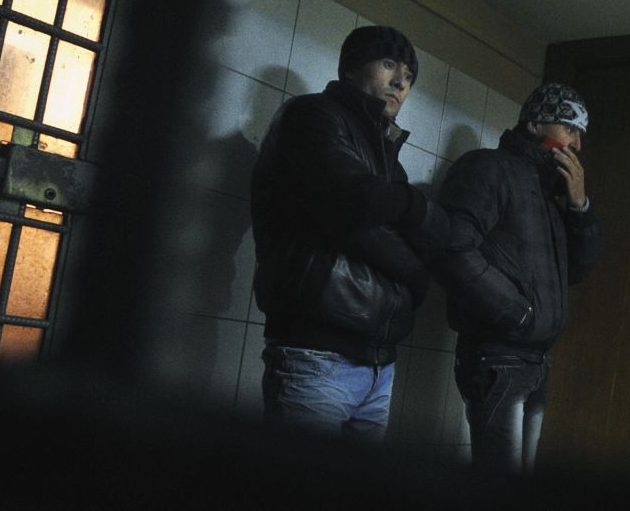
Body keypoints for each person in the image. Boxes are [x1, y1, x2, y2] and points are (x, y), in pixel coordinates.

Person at [249, 24, 447, 440]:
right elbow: (353, 205)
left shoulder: (386, 154)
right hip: (315, 355)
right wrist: (415, 213)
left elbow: (401, 230)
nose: (401, 82)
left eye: (409, 76)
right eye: (390, 63)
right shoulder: (311, 115)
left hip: (377, 364)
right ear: (353, 67)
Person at [433, 82, 601, 476]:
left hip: (535, 361)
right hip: (498, 358)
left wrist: (580, 207)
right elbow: (450, 249)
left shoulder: (549, 196)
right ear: (535, 123)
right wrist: (518, 314)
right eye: (570, 129)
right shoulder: (487, 168)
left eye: (579, 134)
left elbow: (579, 269)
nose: (576, 144)